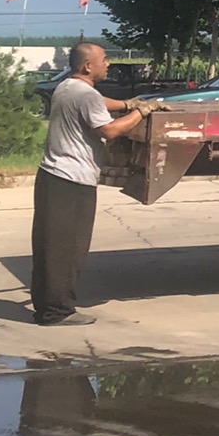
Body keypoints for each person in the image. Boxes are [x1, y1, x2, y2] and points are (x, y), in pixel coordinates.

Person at [31, 42, 145, 326]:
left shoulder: (67, 87)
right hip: (72, 182)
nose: (108, 64)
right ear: (87, 66)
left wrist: (127, 104)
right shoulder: (86, 95)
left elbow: (98, 102)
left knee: (48, 246)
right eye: (104, 59)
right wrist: (141, 113)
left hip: (52, 176)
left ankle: (45, 306)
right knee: (68, 250)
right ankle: (57, 313)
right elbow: (110, 130)